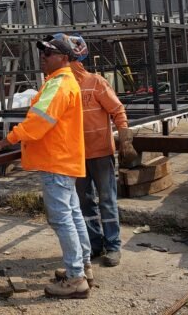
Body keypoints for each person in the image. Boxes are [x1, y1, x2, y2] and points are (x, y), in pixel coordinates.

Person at [0, 36, 91, 299]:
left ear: (64, 58)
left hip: (55, 161)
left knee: (62, 219)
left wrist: (9, 139)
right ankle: (84, 267)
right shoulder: (63, 82)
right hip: (64, 160)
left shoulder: (59, 85)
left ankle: (76, 279)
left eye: (48, 53)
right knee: (73, 214)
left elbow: (38, 122)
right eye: (42, 52)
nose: (42, 57)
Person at [53, 33, 136, 268]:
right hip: (76, 156)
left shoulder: (96, 83)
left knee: (107, 200)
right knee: (84, 202)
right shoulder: (60, 87)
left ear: (69, 57)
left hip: (100, 153)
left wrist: (125, 139)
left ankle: (113, 246)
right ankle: (94, 244)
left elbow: (117, 110)